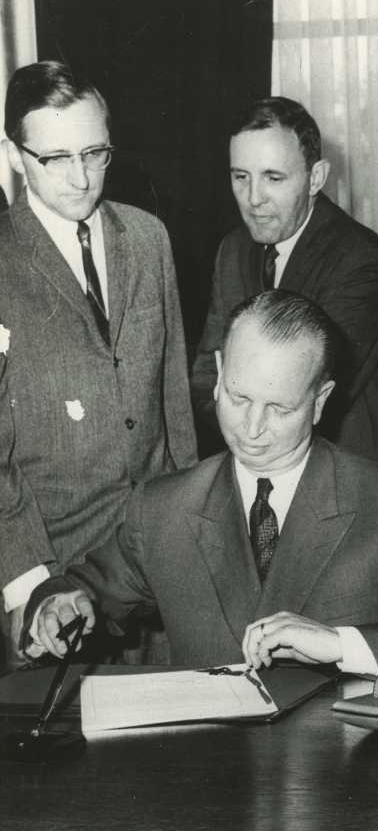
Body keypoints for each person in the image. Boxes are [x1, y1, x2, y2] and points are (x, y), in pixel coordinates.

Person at [24, 290, 378, 672]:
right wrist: (59, 605)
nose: (252, 428)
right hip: (207, 784)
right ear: (218, 373)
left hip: (345, 786)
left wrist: (340, 645)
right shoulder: (161, 508)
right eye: (238, 398)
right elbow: (82, 589)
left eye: (279, 408)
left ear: (321, 401)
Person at [0, 61, 196, 661]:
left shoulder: (148, 238)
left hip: (158, 564)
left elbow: (174, 405)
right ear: (13, 155)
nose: (82, 178)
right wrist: (32, 588)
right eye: (55, 158)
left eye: (95, 152)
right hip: (56, 582)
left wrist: (194, 535)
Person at [191, 97, 378, 463]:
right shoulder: (233, 249)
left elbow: (314, 397)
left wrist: (239, 412)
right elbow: (205, 374)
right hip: (260, 465)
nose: (253, 198)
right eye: (240, 177)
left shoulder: (359, 258)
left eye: (273, 178)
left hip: (346, 480)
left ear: (316, 178)